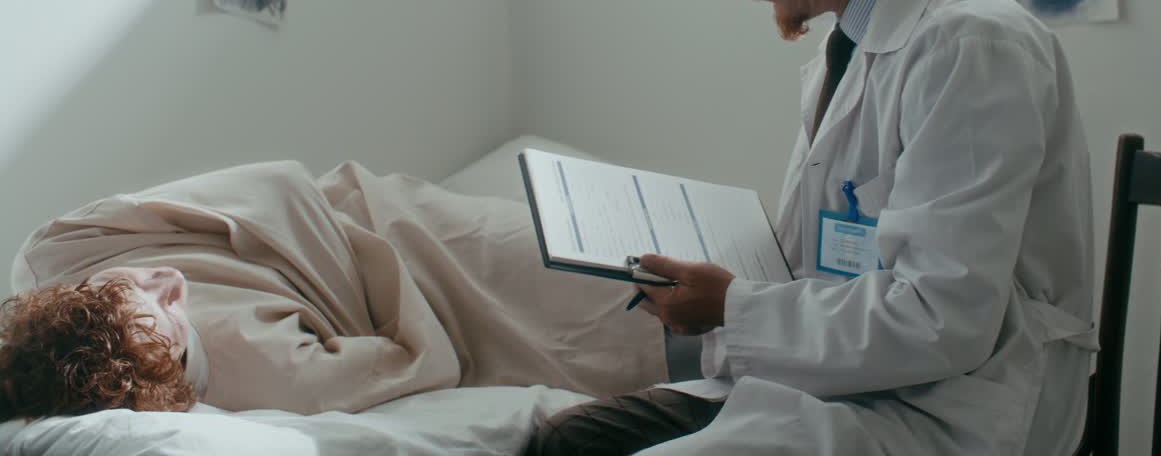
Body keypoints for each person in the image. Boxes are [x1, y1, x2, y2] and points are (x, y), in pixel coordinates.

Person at [523, 0, 1097, 456]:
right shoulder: (854, 41)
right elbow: (838, 260)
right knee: (568, 444)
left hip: (953, 410)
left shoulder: (968, 43)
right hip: (864, 386)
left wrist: (732, 306)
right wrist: (719, 292)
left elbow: (944, 318)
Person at [1, 159, 668, 421]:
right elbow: (425, 361)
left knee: (611, 238)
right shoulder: (269, 379)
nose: (166, 280)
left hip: (370, 210)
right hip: (428, 294)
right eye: (168, 315)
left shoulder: (53, 252)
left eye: (124, 288)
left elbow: (263, 187)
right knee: (627, 310)